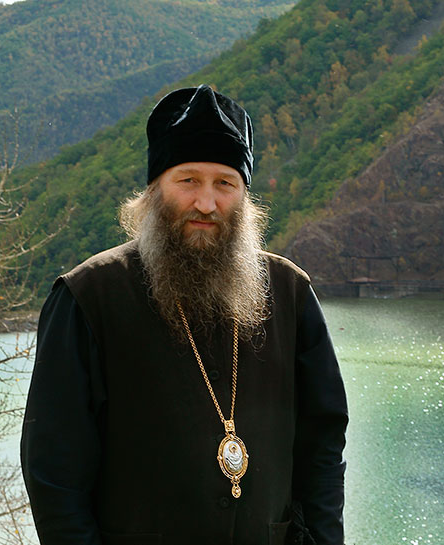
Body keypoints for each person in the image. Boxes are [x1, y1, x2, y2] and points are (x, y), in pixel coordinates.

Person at [21, 84, 348, 545]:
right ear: (155, 189)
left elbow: (323, 450)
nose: (206, 203)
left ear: (244, 196)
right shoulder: (89, 296)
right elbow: (54, 476)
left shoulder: (290, 293)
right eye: (188, 180)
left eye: (224, 184)